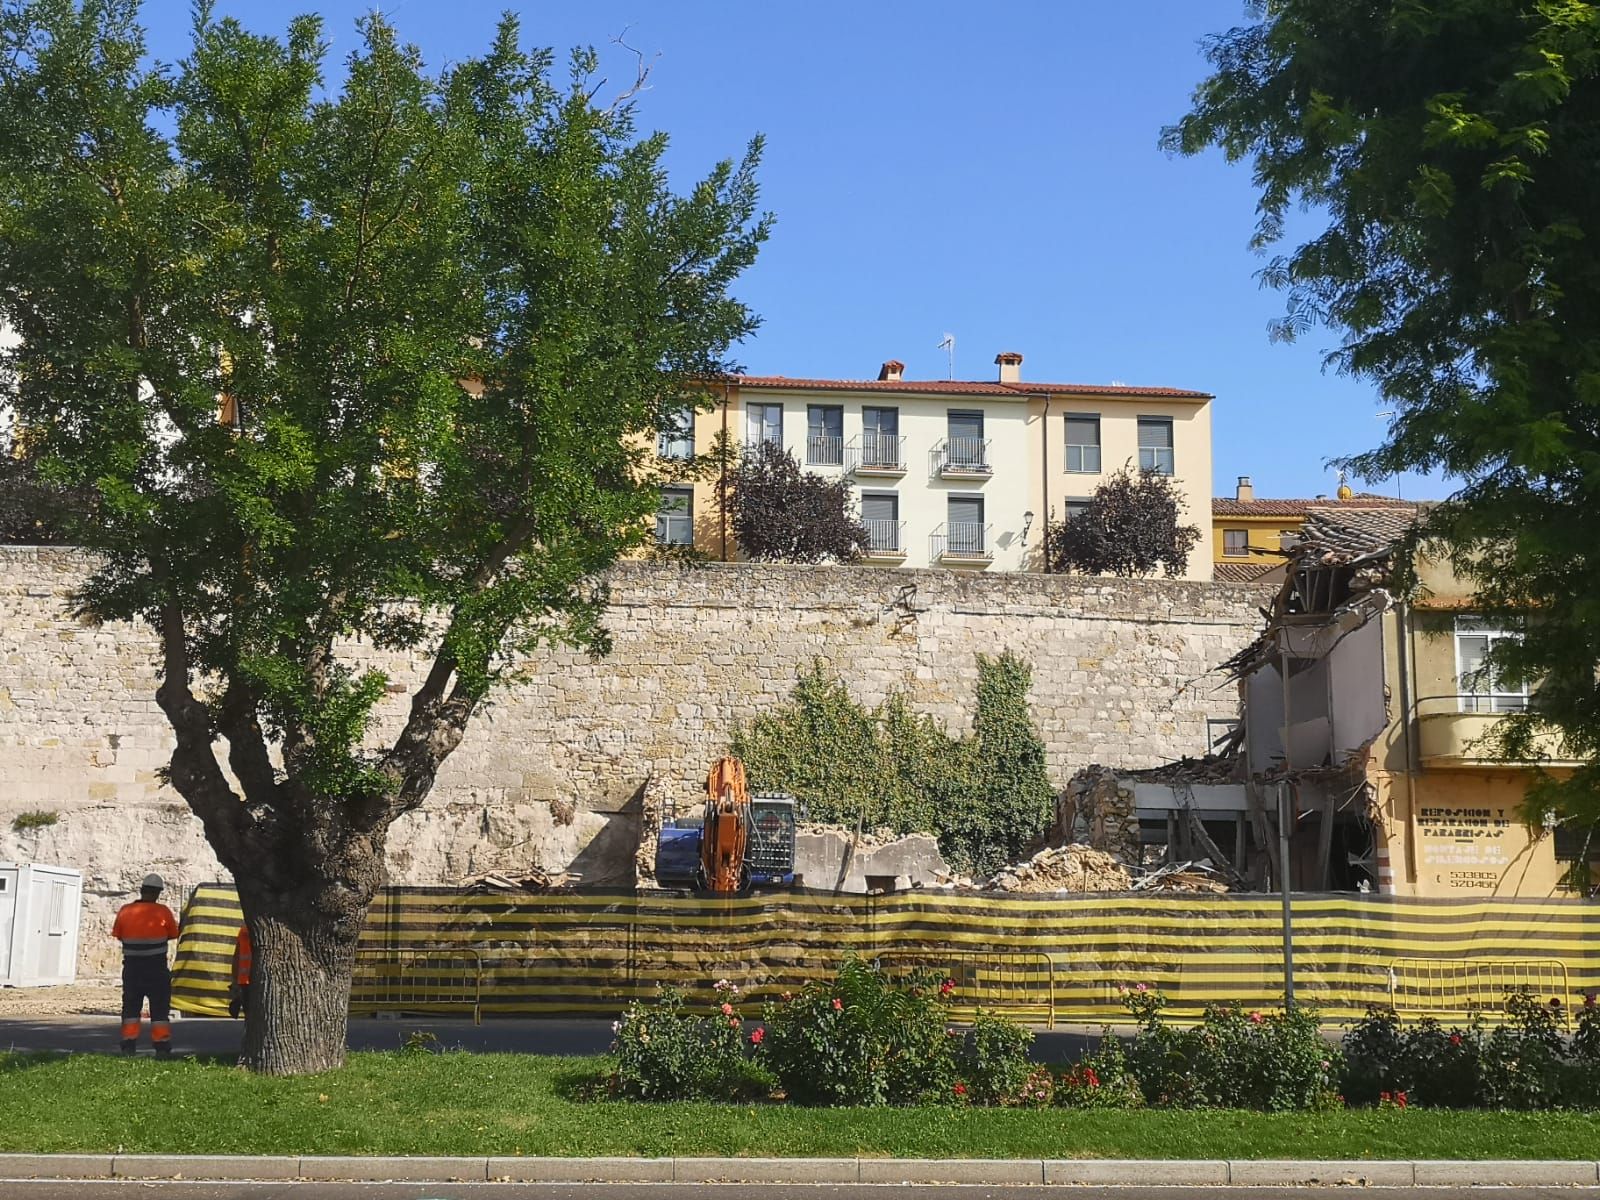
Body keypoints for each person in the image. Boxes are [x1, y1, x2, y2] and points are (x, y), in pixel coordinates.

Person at [110, 873, 179, 1056]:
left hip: (132, 969)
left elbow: (118, 934)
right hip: (156, 969)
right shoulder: (163, 912)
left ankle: (128, 1044)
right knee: (159, 1009)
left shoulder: (125, 911)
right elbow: (173, 934)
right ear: (158, 893)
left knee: (131, 1007)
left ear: (142, 890)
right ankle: (162, 1046)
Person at [228, 923, 253, 1019]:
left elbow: (236, 957)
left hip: (243, 979)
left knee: (248, 1012)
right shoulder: (255, 932)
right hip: (253, 980)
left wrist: (234, 979)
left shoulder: (243, 930)